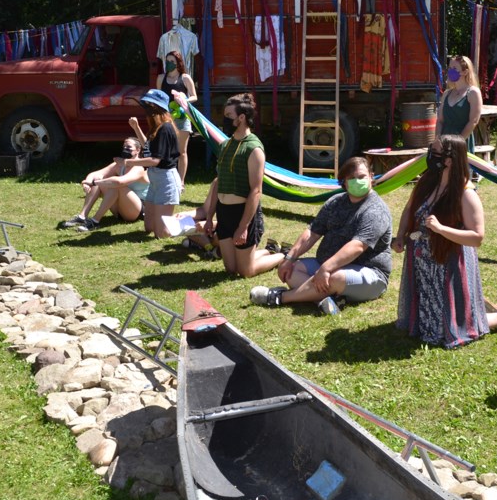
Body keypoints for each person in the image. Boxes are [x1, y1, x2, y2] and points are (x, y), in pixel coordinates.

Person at [393, 135, 497, 348]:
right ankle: (472, 312)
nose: (430, 155)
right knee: (425, 325)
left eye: (435, 151)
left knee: (450, 330)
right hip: (423, 262)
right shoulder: (428, 181)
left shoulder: (466, 194)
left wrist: (441, 229)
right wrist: (400, 235)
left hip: (448, 262)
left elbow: (477, 237)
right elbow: (409, 208)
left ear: (449, 159)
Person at [249, 157, 392, 314]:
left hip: (370, 273)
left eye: (362, 177)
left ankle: (280, 297)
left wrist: (326, 268)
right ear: (343, 181)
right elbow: (312, 232)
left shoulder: (376, 210)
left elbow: (357, 246)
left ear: (371, 177)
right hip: (328, 265)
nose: (357, 181)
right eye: (352, 178)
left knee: (334, 277)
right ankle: (326, 299)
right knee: (292, 271)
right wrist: (289, 258)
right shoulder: (335, 202)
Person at [203, 93, 284, 277]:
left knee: (245, 271)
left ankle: (281, 255)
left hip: (242, 213)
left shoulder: (253, 148)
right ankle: (266, 250)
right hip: (224, 213)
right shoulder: (225, 145)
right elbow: (218, 182)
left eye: (229, 115)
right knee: (231, 270)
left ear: (241, 118)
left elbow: (256, 191)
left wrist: (243, 226)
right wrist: (209, 217)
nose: (225, 119)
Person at [122, 89, 181, 238]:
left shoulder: (165, 128)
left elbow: (155, 160)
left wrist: (130, 162)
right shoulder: (156, 128)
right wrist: (136, 128)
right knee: (149, 228)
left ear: (158, 109)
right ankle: (169, 219)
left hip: (165, 179)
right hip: (155, 179)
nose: (147, 112)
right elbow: (147, 148)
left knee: (161, 234)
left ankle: (190, 223)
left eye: (150, 107)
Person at [59, 137, 149, 231]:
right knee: (101, 180)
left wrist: (95, 182)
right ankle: (82, 217)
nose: (125, 149)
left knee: (115, 185)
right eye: (124, 147)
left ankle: (95, 221)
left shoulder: (139, 168)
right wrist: (88, 182)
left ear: (138, 150)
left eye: (128, 147)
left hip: (137, 210)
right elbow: (96, 174)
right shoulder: (119, 164)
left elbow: (120, 182)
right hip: (120, 210)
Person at [156, 50, 197, 182]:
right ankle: (167, 179)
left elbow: (194, 96)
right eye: (167, 61)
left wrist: (182, 101)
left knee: (182, 152)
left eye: (172, 61)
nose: (169, 64)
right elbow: (158, 98)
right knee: (165, 150)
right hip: (166, 119)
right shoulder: (161, 78)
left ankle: (181, 181)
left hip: (182, 118)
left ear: (178, 63)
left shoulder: (185, 78)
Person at [435, 55, 483, 153]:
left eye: (455, 68)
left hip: (462, 143)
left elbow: (473, 121)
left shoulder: (473, 92)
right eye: (450, 68)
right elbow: (440, 120)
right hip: (444, 142)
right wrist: (437, 139)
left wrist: (457, 143)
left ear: (465, 72)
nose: (450, 71)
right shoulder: (447, 93)